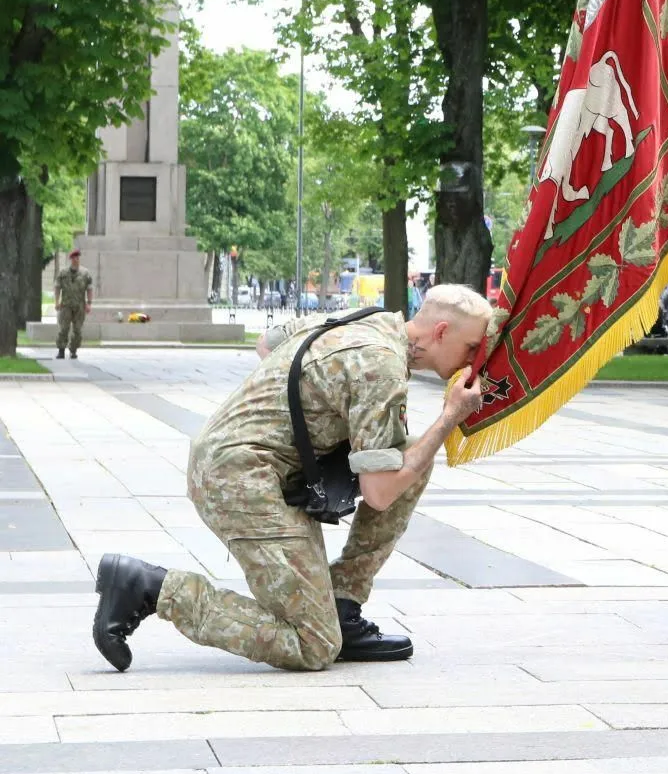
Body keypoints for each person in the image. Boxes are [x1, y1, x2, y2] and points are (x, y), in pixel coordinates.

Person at [90, 285, 496, 672]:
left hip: (240, 459)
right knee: (315, 643)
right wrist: (449, 418)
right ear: (442, 332)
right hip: (238, 479)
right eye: (472, 348)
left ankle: (341, 606)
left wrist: (307, 421)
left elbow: (268, 343)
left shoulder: (363, 319)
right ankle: (151, 588)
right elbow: (379, 493)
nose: (473, 361)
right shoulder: (382, 366)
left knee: (410, 455)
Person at [54, 250, 93, 360]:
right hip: (66, 305)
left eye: (78, 257)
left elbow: (89, 289)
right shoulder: (63, 273)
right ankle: (61, 350)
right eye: (75, 257)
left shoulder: (85, 273)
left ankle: (73, 350)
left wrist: (89, 303)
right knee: (63, 328)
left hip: (79, 305)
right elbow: (57, 287)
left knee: (77, 330)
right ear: (71, 259)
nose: (77, 259)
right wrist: (56, 301)